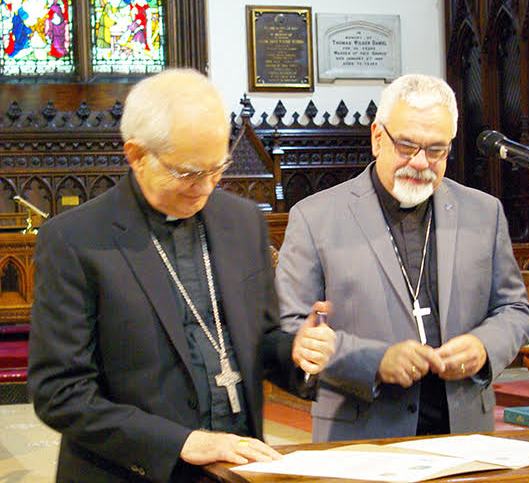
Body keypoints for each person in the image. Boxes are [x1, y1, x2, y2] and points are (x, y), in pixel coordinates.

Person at [28, 69, 336, 482]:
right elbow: (60, 393)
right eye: (189, 173)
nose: (206, 187)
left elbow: (260, 342)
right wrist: (181, 443)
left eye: (217, 168)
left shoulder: (242, 221)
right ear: (136, 154)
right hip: (131, 473)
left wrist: (298, 353)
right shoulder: (76, 240)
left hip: (236, 470)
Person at [276, 74, 529, 442]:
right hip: (362, 436)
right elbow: (293, 327)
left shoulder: (483, 212)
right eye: (407, 145)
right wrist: (375, 361)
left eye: (436, 150)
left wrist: (483, 347)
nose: (420, 162)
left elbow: (515, 310)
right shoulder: (315, 218)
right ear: (377, 138)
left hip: (464, 434)